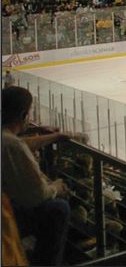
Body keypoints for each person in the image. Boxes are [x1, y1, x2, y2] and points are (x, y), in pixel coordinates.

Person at [1, 86, 76, 265]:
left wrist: (53, 137)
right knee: (59, 208)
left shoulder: (10, 142)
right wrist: (56, 187)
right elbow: (37, 196)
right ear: (23, 115)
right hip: (7, 214)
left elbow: (18, 145)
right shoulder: (12, 145)